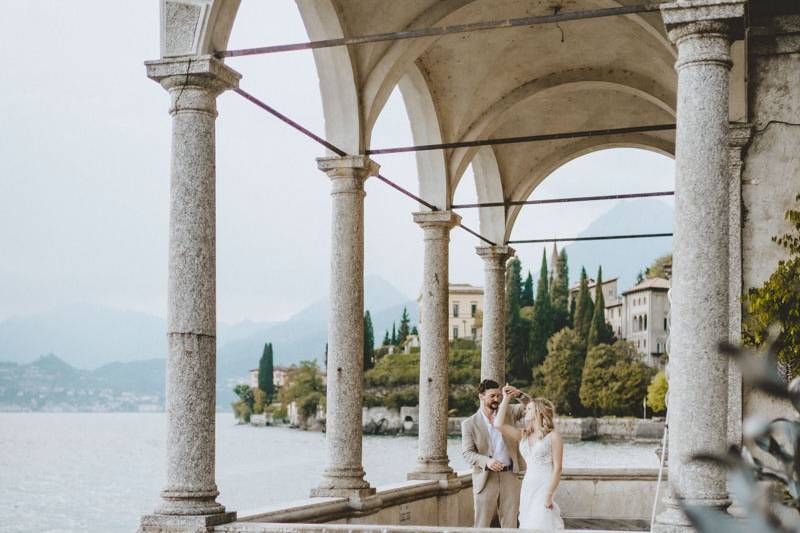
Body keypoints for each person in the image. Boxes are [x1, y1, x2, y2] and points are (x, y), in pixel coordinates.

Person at [494, 386, 565, 530]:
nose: (525, 411)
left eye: (529, 409)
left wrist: (549, 495)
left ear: (539, 412)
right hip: (528, 486)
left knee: (539, 523)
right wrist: (506, 397)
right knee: (527, 524)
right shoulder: (524, 435)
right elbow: (498, 424)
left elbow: (558, 469)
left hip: (544, 486)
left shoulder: (553, 436)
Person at [461, 379, 528, 527]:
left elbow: (532, 408)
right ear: (481, 396)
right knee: (482, 524)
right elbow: (467, 453)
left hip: (510, 475)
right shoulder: (469, 424)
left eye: (498, 395)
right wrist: (487, 462)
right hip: (485, 478)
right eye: (492, 396)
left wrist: (520, 395)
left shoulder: (509, 412)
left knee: (510, 523)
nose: (496, 399)